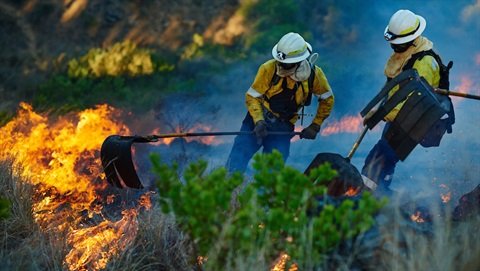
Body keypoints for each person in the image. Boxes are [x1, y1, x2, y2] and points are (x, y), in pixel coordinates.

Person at [362, 9, 450, 194]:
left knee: (378, 160)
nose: (394, 48)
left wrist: (381, 114)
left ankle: (373, 198)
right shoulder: (409, 53)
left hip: (415, 118)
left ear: (412, 38)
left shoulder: (424, 62)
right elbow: (395, 87)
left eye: (398, 44)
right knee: (384, 157)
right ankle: (378, 194)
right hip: (400, 117)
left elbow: (413, 100)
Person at [226, 32, 334, 174]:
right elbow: (252, 97)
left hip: (283, 128)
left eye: (286, 64)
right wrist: (259, 121)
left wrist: (315, 125)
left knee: (271, 175)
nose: (281, 65)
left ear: (298, 61)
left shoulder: (314, 75)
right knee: (234, 165)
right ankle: (230, 194)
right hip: (257, 122)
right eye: (280, 61)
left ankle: (264, 197)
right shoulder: (268, 68)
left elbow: (327, 99)